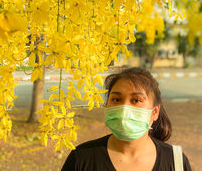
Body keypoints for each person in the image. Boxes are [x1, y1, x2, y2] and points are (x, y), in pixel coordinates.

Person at [61, 67, 192, 171]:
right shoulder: (82, 158)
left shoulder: (176, 162)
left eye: (136, 100)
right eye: (116, 99)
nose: (124, 108)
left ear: (155, 112)